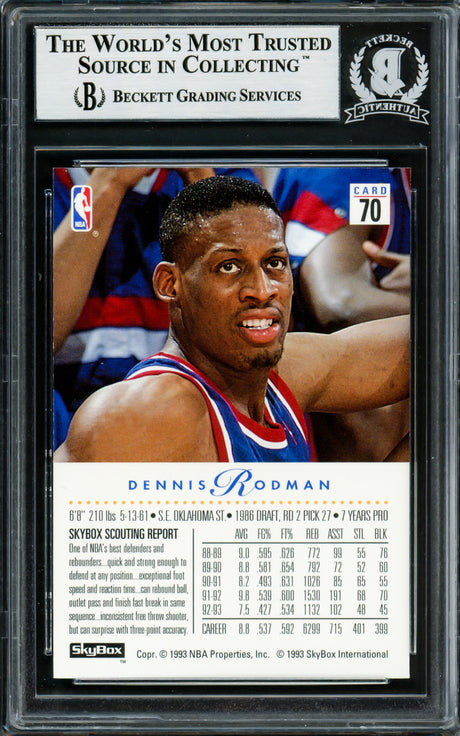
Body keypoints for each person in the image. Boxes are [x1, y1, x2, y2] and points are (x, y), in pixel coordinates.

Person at [54, 176, 409, 463]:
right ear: (169, 284)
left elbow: (425, 346)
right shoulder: (140, 415)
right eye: (229, 267)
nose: (262, 289)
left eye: (275, 263)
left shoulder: (287, 373)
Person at [53, 166, 259, 415]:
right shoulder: (33, 177)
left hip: (184, 413)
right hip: (61, 420)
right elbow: (35, 338)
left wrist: (198, 177)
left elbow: (251, 331)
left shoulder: (226, 176)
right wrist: (107, 183)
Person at [273, 167, 411, 461]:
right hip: (340, 448)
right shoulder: (364, 178)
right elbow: (339, 302)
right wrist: (440, 291)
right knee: (404, 348)